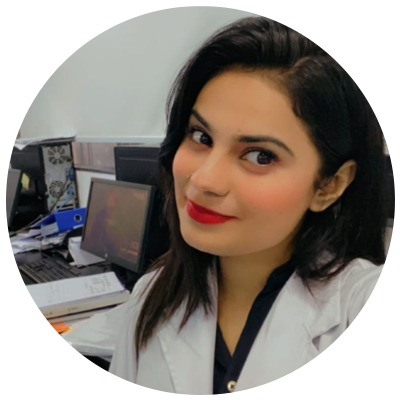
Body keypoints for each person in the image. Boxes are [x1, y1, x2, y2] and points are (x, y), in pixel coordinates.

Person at [108, 16, 389, 394]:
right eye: (200, 136)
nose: (203, 180)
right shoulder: (151, 296)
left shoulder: (363, 305)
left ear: (329, 186)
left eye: (260, 156)